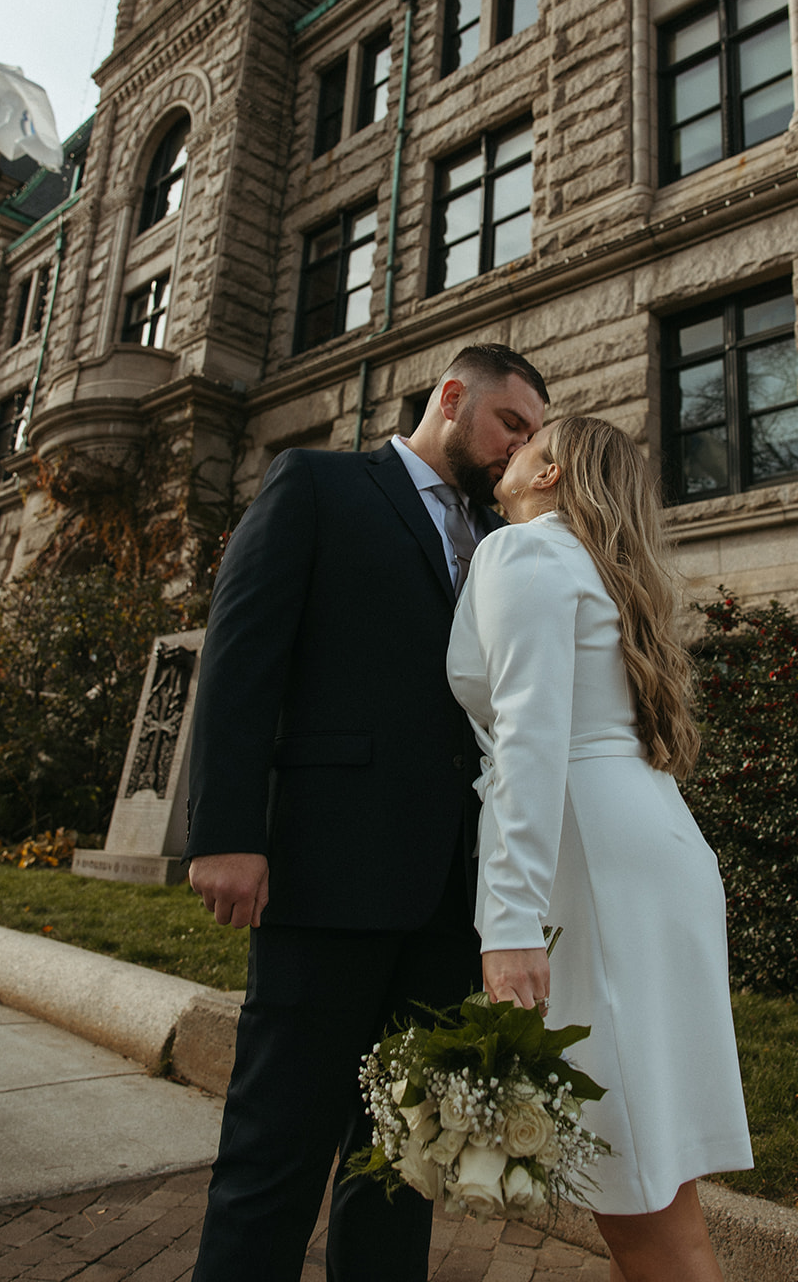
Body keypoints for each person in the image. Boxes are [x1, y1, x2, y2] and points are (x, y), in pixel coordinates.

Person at [183, 343, 548, 1282]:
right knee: (279, 1143)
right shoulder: (316, 485)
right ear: (452, 397)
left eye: (533, 436)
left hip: (449, 893)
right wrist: (227, 833)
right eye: (512, 423)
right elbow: (240, 658)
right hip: (327, 871)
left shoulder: (498, 535)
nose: (519, 448)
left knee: (400, 1153)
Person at [447, 415, 753, 1282]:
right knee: (652, 1162)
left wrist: (505, 926)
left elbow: (528, 743)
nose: (507, 455)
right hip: (647, 843)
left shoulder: (527, 555)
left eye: (527, 445)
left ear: (549, 476)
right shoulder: (601, 570)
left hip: (592, 865)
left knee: (636, 1186)